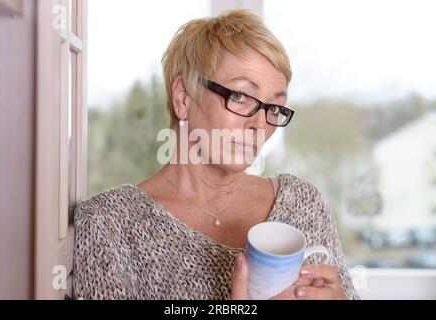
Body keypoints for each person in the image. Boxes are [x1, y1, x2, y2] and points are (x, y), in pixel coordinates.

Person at [73, 9, 359, 300]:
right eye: (240, 96)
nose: (260, 124)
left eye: (274, 107)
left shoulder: (303, 205)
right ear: (183, 98)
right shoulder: (109, 224)